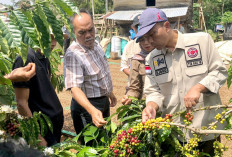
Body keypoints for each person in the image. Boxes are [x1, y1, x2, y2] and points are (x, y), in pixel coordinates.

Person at [136, 8, 227, 155]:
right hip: (175, 133)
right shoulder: (151, 59)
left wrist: (198, 87)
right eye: (145, 37)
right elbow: (153, 90)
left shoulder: (202, 41)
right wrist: (152, 106)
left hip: (207, 130)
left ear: (166, 26)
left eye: (152, 34)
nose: (150, 41)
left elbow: (220, 72)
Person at [63, 9, 117, 137]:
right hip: (87, 107)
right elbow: (74, 89)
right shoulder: (73, 54)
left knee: (105, 139)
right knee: (91, 145)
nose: (88, 35)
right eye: (82, 32)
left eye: (90, 30)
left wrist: (109, 93)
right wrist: (92, 111)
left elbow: (100, 74)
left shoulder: (96, 45)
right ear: (74, 32)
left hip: (102, 102)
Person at [12, 33, 64, 147]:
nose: (54, 43)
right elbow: (21, 104)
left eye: (55, 39)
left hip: (52, 126)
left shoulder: (44, 57)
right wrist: (37, 136)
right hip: (42, 129)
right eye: (49, 38)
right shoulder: (25, 59)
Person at [121, 34, 155, 105]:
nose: (146, 43)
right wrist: (129, 97)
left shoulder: (166, 56)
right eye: (142, 40)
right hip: (147, 104)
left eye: (149, 38)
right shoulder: (137, 60)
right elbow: (134, 88)